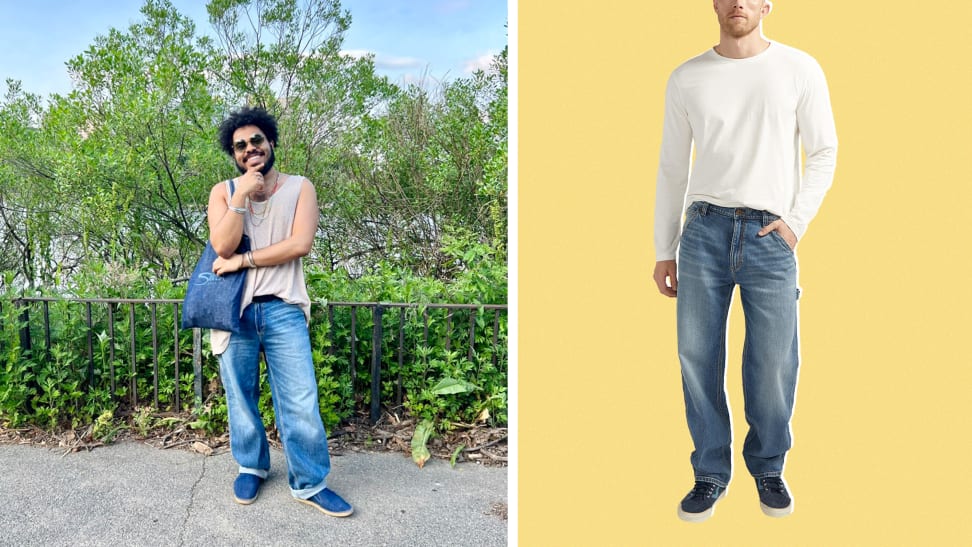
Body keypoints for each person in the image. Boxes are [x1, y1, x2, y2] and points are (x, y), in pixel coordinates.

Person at [652, 0, 837, 523]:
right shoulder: (687, 78)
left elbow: (824, 150)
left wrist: (796, 223)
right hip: (704, 232)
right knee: (696, 357)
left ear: (766, 4)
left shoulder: (799, 69)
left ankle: (768, 465)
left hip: (770, 234)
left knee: (775, 362)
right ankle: (710, 471)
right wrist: (664, 247)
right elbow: (671, 166)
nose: (738, 2)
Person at [207, 106, 352, 517]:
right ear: (233, 154)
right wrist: (240, 195)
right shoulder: (223, 191)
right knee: (241, 397)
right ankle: (251, 465)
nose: (250, 149)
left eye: (256, 140)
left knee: (301, 399)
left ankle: (309, 482)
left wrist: (245, 262)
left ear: (271, 142)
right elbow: (222, 246)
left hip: (283, 308)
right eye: (240, 146)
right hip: (234, 313)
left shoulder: (300, 187)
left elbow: (298, 244)